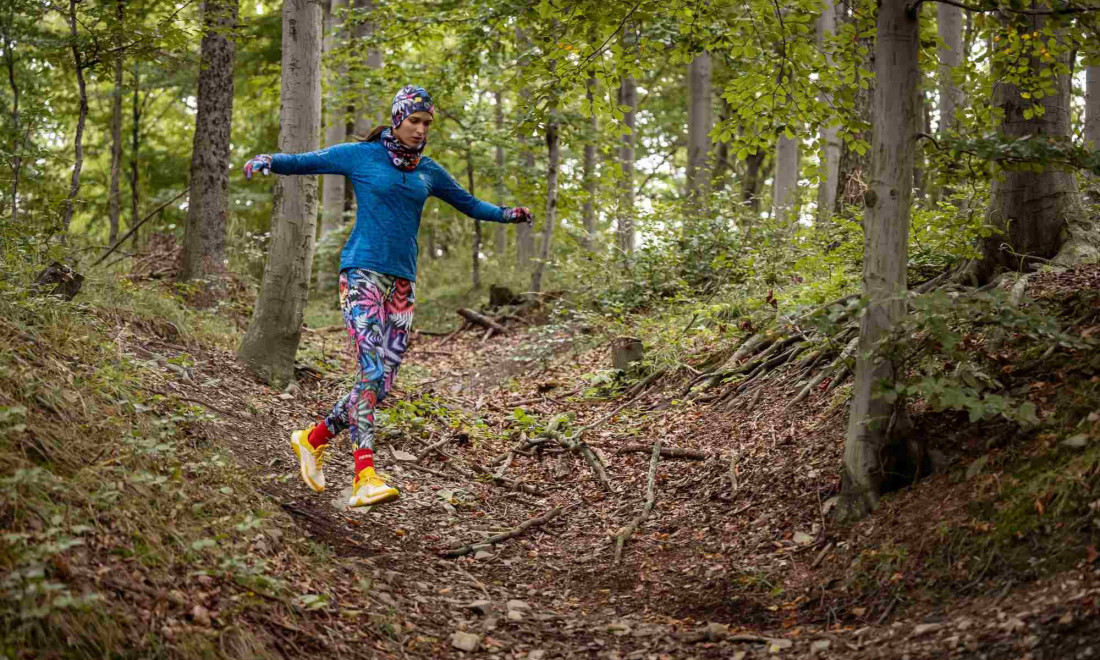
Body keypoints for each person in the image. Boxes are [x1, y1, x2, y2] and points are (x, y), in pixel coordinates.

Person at [242, 85, 532, 507]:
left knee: (381, 383)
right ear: (397, 119)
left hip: (402, 284)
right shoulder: (363, 156)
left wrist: (508, 213)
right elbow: (310, 161)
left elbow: (470, 205)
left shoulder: (428, 171)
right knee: (370, 370)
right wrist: (270, 160)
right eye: (414, 120)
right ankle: (365, 475)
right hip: (361, 273)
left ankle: (312, 438)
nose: (420, 129)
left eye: (427, 123)